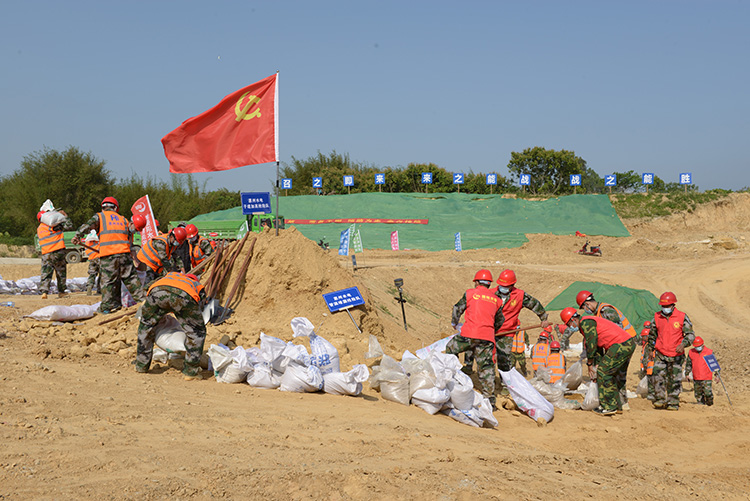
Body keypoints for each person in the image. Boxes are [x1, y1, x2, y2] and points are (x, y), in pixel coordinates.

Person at [72, 197, 143, 314]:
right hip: (124, 255)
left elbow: (87, 226)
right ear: (116, 208)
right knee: (131, 280)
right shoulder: (123, 219)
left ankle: (106, 308)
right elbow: (129, 238)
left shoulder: (100, 216)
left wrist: (77, 235)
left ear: (103, 207)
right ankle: (143, 303)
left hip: (108, 256)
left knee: (108, 282)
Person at [445, 269, 504, 410]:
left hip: (468, 334)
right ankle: (490, 400)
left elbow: (457, 308)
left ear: (476, 282)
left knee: (450, 348)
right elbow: (500, 320)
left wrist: (454, 322)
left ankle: (452, 379)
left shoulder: (470, 293)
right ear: (489, 284)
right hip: (486, 337)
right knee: (486, 368)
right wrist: (491, 329)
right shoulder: (497, 300)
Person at [561, 306, 636, 416]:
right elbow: (598, 347)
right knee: (611, 374)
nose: (569, 327)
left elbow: (592, 343)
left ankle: (609, 407)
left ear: (573, 319)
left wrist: (590, 363)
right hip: (626, 343)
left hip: (620, 345)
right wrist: (595, 364)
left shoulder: (586, 323)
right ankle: (617, 406)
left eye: (568, 324)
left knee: (603, 372)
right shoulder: (587, 322)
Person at [134, 272, 207, 380]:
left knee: (146, 326)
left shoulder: (169, 275)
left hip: (157, 292)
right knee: (196, 332)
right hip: (184, 296)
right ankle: (190, 372)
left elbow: (146, 288)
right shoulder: (196, 285)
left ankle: (141, 365)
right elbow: (200, 306)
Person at [576, 290, 637, 409]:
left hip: (624, 342)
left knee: (616, 372)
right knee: (613, 371)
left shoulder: (606, 310)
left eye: (583, 307)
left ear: (587, 304)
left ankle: (619, 403)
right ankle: (619, 403)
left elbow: (616, 331)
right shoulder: (597, 314)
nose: (585, 310)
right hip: (618, 344)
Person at [642, 291, 695, 411]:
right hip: (660, 353)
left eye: (667, 306)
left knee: (674, 379)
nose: (665, 308)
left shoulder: (682, 317)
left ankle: (673, 402)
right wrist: (651, 349)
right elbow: (652, 334)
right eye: (663, 306)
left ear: (673, 305)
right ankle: (660, 399)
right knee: (657, 376)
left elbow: (690, 335)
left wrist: (683, 344)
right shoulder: (657, 317)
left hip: (676, 354)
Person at [36, 208, 73, 299]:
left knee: (46, 273)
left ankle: (44, 292)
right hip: (58, 251)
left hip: (46, 254)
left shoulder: (39, 228)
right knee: (60, 273)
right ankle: (61, 292)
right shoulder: (54, 226)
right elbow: (69, 226)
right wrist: (65, 216)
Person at [685, 336, 715, 406]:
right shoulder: (691, 352)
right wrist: (687, 373)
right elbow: (689, 364)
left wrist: (717, 374)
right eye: (696, 346)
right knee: (698, 394)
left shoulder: (709, 352)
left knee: (707, 393)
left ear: (702, 344)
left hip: (706, 377)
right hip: (696, 377)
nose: (697, 348)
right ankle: (701, 405)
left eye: (699, 346)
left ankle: (710, 404)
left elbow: (714, 364)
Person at [639, 320, 656, 401]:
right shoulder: (647, 344)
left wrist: (644, 367)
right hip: (651, 368)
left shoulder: (648, 346)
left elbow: (646, 358)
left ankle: (651, 395)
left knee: (651, 383)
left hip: (650, 368)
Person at [82, 230, 101, 295]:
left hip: (92, 259)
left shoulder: (87, 242)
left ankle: (89, 287)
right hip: (99, 258)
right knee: (102, 275)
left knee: (92, 274)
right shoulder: (98, 241)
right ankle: (99, 290)